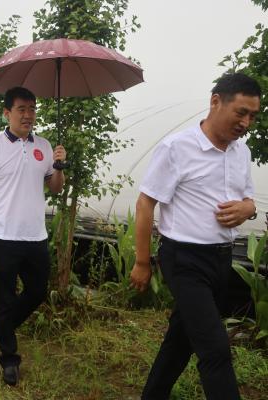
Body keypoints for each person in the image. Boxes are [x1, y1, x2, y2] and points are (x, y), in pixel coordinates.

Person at [130, 73, 261, 400]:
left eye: (253, 116)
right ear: (216, 101)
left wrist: (248, 209)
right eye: (241, 112)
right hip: (184, 259)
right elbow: (146, 202)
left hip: (221, 258)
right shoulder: (177, 148)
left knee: (182, 338)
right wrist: (142, 261)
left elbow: (248, 200)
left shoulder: (241, 153)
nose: (246, 122)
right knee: (215, 348)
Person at [0, 86, 66, 386]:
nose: (28, 114)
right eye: (22, 109)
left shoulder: (45, 146)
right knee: (4, 295)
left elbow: (55, 188)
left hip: (35, 235)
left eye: (32, 109)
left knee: (37, 291)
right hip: (1, 234)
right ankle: (9, 358)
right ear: (7, 113)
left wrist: (60, 166)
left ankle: (1, 324)